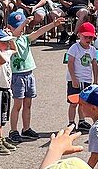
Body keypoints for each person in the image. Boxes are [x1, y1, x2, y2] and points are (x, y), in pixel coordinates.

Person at [6, 9, 64, 145]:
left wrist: (53, 24)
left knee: (28, 104)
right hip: (17, 76)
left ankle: (26, 128)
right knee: (18, 105)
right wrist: (24, 23)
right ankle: (13, 130)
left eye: (23, 26)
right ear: (10, 27)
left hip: (29, 74)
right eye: (18, 25)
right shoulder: (10, 40)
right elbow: (14, 34)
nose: (22, 28)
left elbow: (39, 32)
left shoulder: (25, 39)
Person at [66, 23, 98, 131]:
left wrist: (95, 80)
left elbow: (94, 64)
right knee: (73, 102)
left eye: (90, 37)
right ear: (79, 35)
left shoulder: (93, 50)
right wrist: (74, 78)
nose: (88, 39)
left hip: (87, 80)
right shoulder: (74, 48)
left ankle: (82, 121)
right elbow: (70, 63)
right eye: (86, 37)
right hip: (75, 79)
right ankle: (71, 123)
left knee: (83, 103)